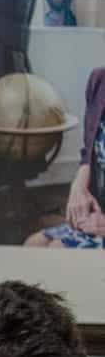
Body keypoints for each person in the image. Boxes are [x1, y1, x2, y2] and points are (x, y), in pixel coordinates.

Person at [24, 65, 105, 248]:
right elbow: (89, 150)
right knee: (33, 244)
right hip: (98, 212)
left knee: (57, 249)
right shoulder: (99, 80)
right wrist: (78, 186)